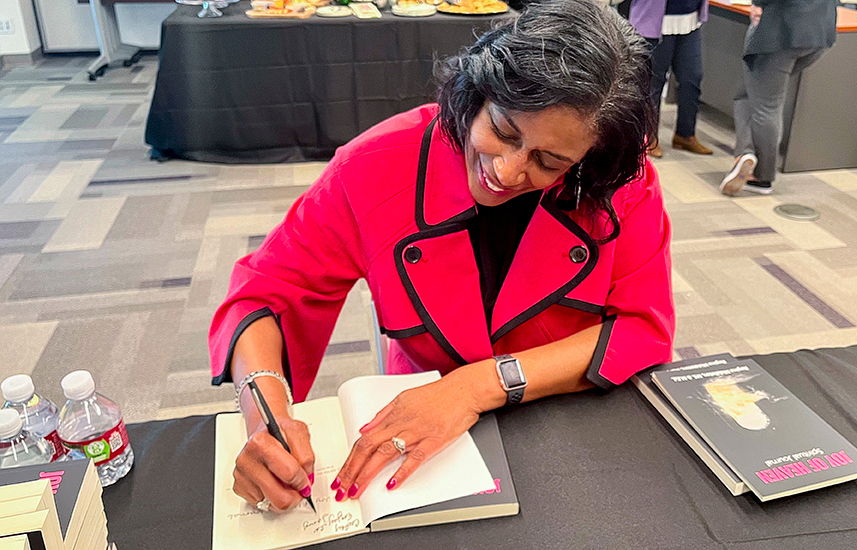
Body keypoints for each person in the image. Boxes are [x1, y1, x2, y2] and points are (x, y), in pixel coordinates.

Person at [209, 0, 676, 514]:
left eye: (549, 161)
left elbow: (640, 327)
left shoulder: (618, 189)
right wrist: (262, 409)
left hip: (558, 411)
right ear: (479, 91)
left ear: (590, 160)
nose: (508, 169)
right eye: (502, 129)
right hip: (421, 405)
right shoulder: (376, 165)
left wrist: (477, 386)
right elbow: (267, 291)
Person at [720, 0, 837, 196]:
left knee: (767, 105)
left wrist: (758, 3)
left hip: (781, 31)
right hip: (820, 30)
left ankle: (761, 177)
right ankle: (746, 153)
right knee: (747, 93)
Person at [629, 0, 713, 157]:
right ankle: (649, 138)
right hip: (655, 21)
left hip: (690, 19)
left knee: (692, 79)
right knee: (653, 83)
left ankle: (685, 135)